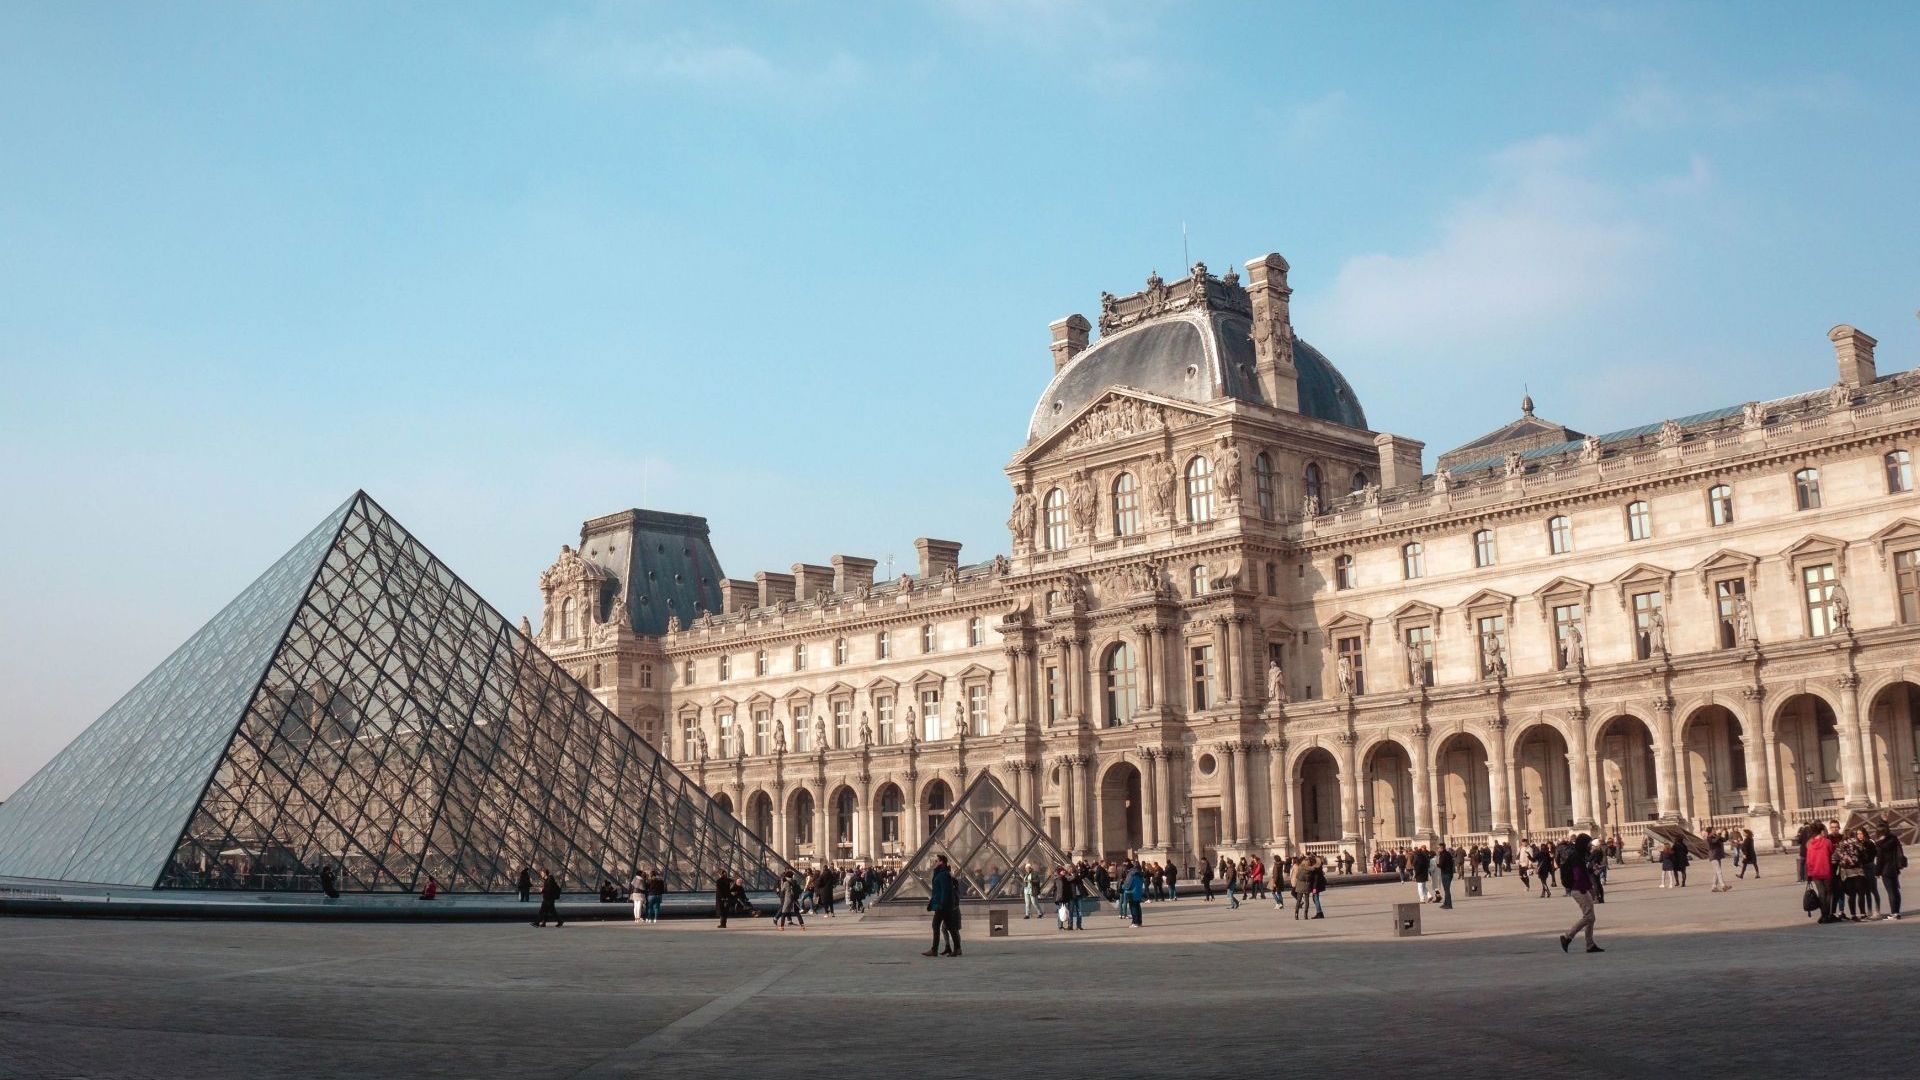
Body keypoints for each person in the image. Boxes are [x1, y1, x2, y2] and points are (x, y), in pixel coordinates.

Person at [1557, 834, 1602, 953]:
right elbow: (1578, 875)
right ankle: (1567, 937)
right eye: (1588, 843)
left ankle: (1590, 944)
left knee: (1591, 918)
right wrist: (1587, 888)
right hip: (1579, 889)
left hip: (1582, 889)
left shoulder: (1580, 855)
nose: (1589, 846)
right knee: (1589, 917)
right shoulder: (1576, 856)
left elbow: (1584, 872)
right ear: (1583, 844)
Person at [924, 854, 962, 957]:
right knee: (950, 927)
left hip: (943, 906)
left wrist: (942, 904)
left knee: (937, 926)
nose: (934, 863)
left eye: (936, 861)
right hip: (942, 905)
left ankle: (935, 950)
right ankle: (957, 948)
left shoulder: (943, 874)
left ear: (941, 862)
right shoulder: (940, 873)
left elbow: (945, 891)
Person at [1804, 820, 1838, 923]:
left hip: (1815, 872)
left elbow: (1808, 860)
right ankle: (1827, 915)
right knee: (1829, 893)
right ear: (1821, 831)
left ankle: (1823, 915)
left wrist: (1809, 874)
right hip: (1826, 870)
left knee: (1821, 893)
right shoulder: (1827, 842)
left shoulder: (1810, 844)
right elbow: (1832, 852)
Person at [1875, 822, 1906, 921]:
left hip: (1885, 869)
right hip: (1895, 868)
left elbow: (1880, 860)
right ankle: (1897, 912)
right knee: (1896, 890)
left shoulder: (1880, 844)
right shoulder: (1894, 839)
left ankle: (1894, 913)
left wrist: (1877, 872)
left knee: (1890, 892)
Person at [1124, 862, 1145, 928]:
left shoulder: (1132, 873)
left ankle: (1135, 922)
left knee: (1133, 907)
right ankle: (1139, 922)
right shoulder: (1140, 873)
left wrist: (1123, 887)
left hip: (1132, 892)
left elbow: (1128, 884)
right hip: (1138, 892)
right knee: (1137, 907)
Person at [1437, 845, 1456, 909]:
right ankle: (1445, 903)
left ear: (1441, 848)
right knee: (1446, 889)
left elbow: (1441, 865)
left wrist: (1436, 864)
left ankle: (1449, 904)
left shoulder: (1443, 855)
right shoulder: (1448, 854)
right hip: (1449, 873)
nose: (1437, 849)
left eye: (1438, 848)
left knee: (1447, 889)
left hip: (1445, 873)